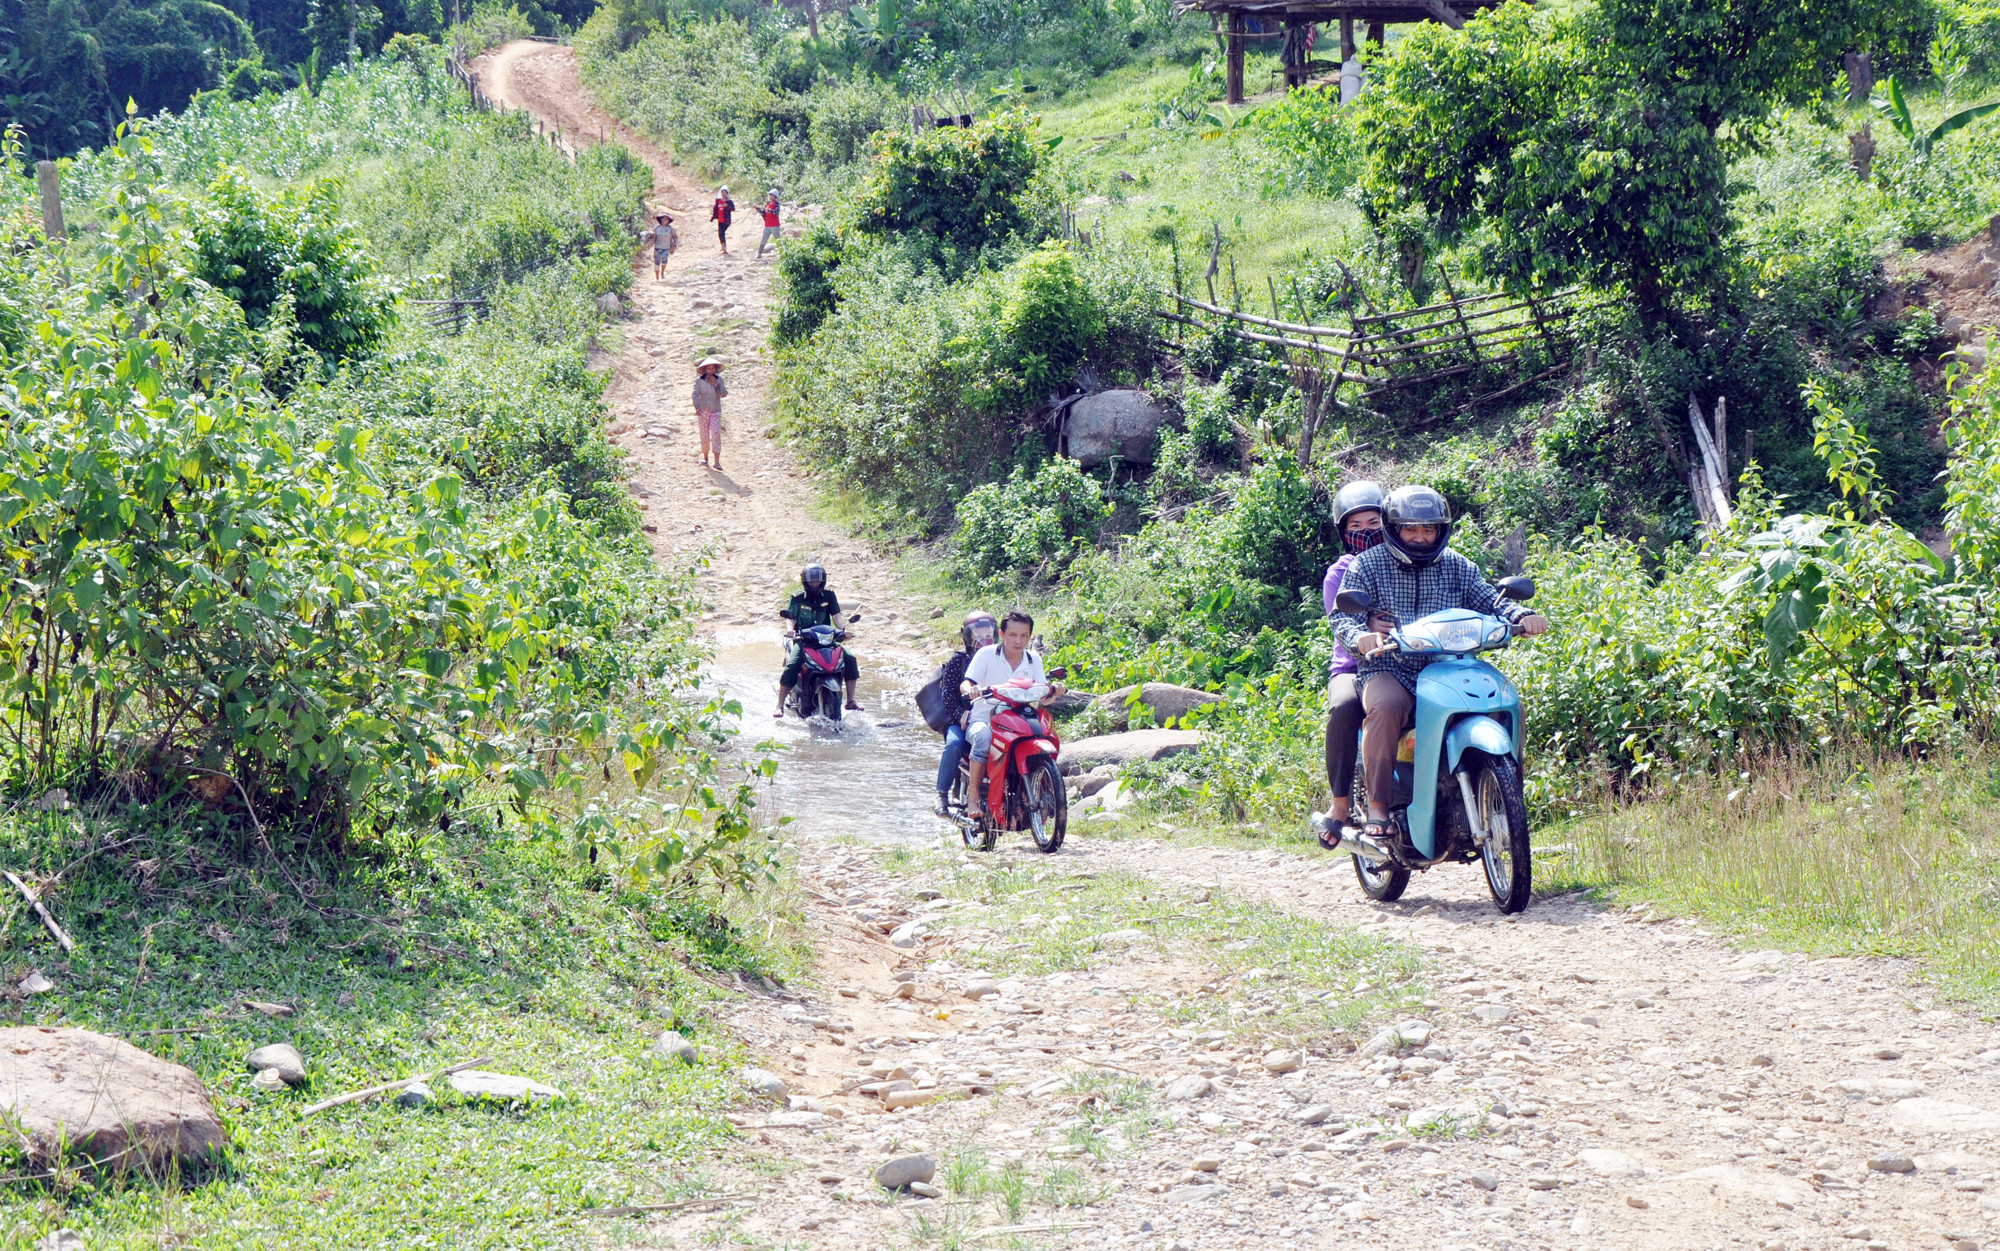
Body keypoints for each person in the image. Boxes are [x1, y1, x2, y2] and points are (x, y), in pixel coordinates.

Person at [1331, 485, 1548, 845]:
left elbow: (1491, 602)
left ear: (1440, 530)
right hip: (1390, 667)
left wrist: (1523, 615)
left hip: (1452, 667)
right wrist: (1360, 637)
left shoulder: (1458, 565)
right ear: (1393, 528)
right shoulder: (1367, 565)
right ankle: (1379, 806)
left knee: (1509, 702)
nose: (1419, 536)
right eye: (1410, 529)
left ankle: (1506, 799)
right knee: (1384, 708)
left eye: (1428, 529)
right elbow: (1342, 618)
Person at [1309, 480, 1386, 850]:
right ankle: (1341, 804)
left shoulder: (1408, 561)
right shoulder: (1338, 573)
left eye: (1373, 523)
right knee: (1343, 707)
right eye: (1355, 528)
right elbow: (1340, 622)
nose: (1366, 533)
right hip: (1354, 667)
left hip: (1410, 659)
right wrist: (1366, 629)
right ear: (1343, 533)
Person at [959, 609, 1064, 817]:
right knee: (983, 738)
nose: (1018, 641)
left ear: (1030, 636)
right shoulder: (986, 654)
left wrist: (1054, 692)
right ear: (1002, 633)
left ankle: (1041, 788)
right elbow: (967, 682)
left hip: (1020, 719)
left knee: (1045, 734)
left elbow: (1042, 696)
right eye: (1013, 635)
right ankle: (973, 799)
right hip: (985, 719)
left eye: (1024, 635)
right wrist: (970, 690)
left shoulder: (1034, 660)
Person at [933, 610, 998, 816]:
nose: (983, 639)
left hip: (996, 716)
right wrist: (962, 715)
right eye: (977, 634)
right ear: (966, 636)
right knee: (954, 744)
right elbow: (948, 695)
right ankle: (941, 794)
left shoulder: (999, 659)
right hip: (962, 719)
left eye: (988, 633)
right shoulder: (959, 661)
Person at [776, 564, 863, 716]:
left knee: (850, 658)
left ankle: (850, 700)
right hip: (805, 641)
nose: (814, 584)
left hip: (827, 641)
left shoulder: (829, 595)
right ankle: (780, 705)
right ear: (805, 581)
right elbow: (791, 617)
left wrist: (842, 630)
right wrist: (790, 631)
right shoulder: (797, 597)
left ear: (823, 581)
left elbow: (836, 616)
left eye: (817, 581)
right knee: (792, 666)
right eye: (811, 581)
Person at [693, 357, 727, 470]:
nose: (711, 371)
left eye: (713, 368)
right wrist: (697, 408)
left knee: (716, 434)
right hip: (703, 411)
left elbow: (724, 394)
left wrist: (716, 385)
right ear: (704, 369)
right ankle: (705, 458)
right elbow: (695, 394)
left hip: (715, 410)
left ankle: (717, 461)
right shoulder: (699, 381)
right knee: (704, 435)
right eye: (708, 368)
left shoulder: (719, 380)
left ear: (715, 369)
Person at [648, 212, 677, 280]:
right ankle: (657, 277)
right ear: (661, 220)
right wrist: (652, 236)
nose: (664, 220)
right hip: (657, 247)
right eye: (663, 219)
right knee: (656, 263)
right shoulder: (657, 228)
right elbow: (651, 237)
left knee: (664, 261)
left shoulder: (670, 229)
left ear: (668, 221)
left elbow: (675, 237)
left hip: (666, 248)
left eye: (666, 219)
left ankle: (662, 273)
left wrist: (674, 245)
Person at [711, 186, 736, 255]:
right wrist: (713, 216)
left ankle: (724, 247)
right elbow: (715, 209)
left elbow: (733, 209)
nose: (723, 194)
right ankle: (723, 246)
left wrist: (727, 206)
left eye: (725, 192)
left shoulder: (729, 202)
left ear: (727, 193)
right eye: (722, 192)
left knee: (722, 232)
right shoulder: (719, 201)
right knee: (720, 233)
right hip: (720, 220)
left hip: (726, 220)